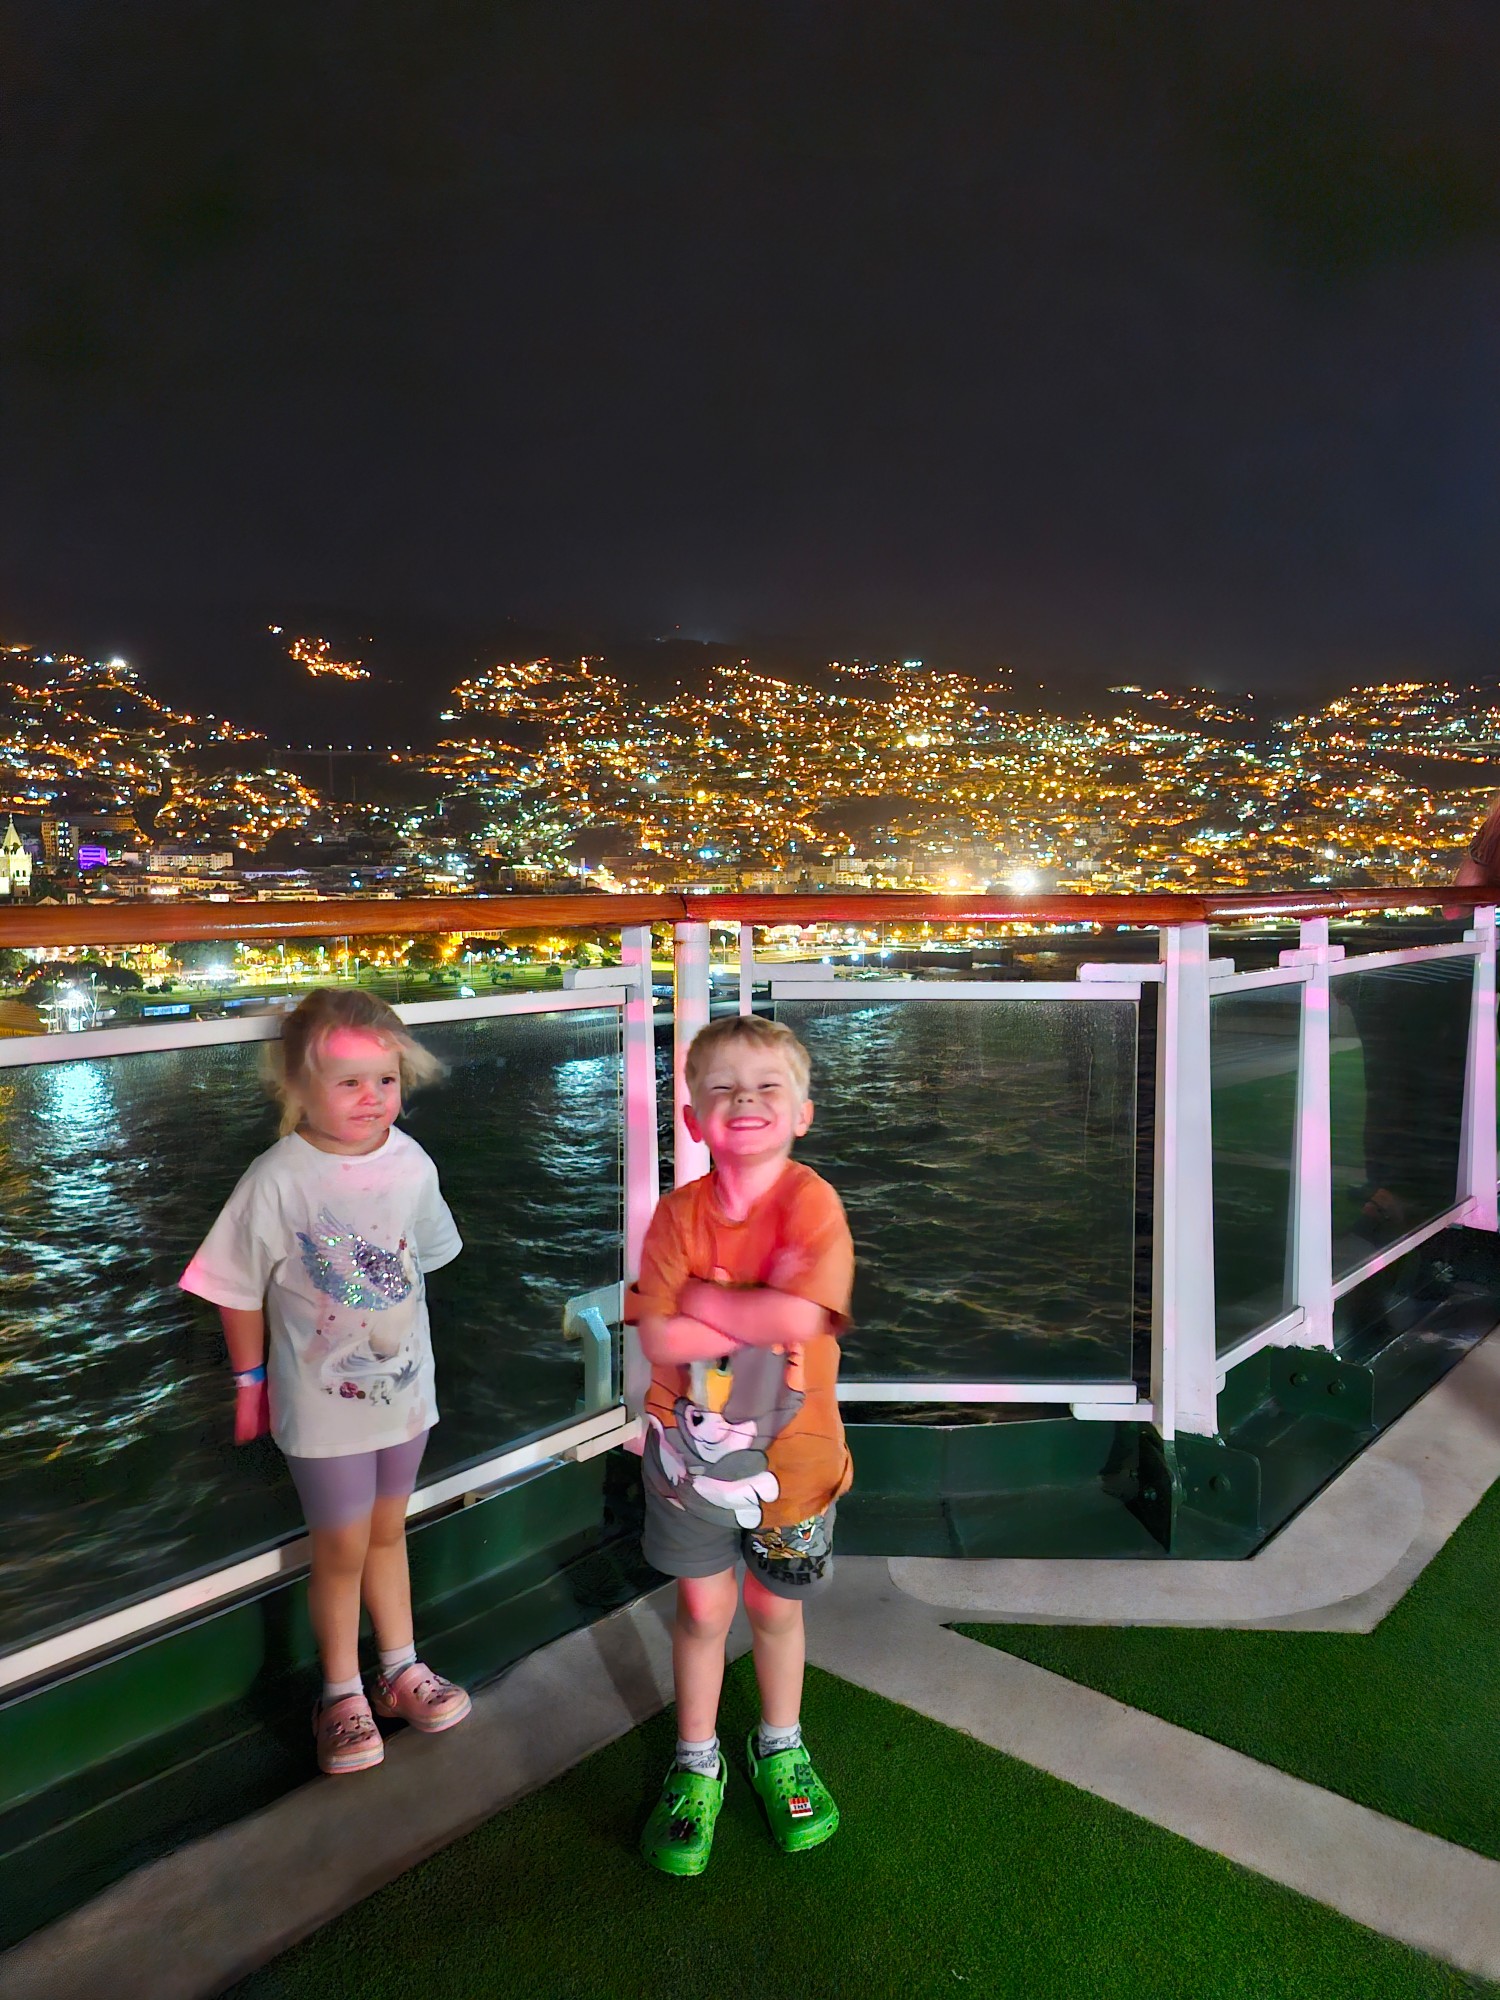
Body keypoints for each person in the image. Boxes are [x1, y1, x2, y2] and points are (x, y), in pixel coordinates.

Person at [181, 987, 471, 1776]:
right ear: (297, 1088)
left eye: (386, 1079)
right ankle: (341, 1691)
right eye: (349, 1082)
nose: (373, 1098)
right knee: (340, 1547)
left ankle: (400, 1668)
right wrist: (250, 1381)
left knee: (389, 1530)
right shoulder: (279, 1177)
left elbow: (423, 1257)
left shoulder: (411, 1162)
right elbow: (234, 1286)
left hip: (405, 1395)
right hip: (320, 1406)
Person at [628, 1014, 854, 1875]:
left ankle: (779, 1744)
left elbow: (802, 1315)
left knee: (774, 1608)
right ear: (694, 1119)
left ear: (802, 1112)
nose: (745, 1101)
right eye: (722, 1088)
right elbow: (659, 1339)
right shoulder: (676, 1216)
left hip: (795, 1468)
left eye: (767, 1087)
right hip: (684, 1468)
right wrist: (752, 1317)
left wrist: (702, 1305)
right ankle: (696, 1762)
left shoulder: (810, 1203)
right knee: (700, 1611)